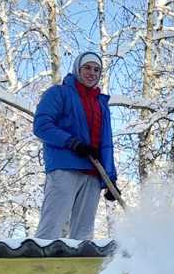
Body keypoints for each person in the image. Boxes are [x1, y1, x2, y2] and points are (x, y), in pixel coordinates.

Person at [33, 51, 118, 239]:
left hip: (94, 172)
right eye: (87, 67)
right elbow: (42, 126)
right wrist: (73, 143)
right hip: (65, 167)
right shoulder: (59, 93)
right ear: (77, 69)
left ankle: (81, 260)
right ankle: (40, 258)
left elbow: (106, 144)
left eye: (96, 69)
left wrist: (111, 178)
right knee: (52, 226)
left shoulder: (101, 104)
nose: (92, 73)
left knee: (84, 235)